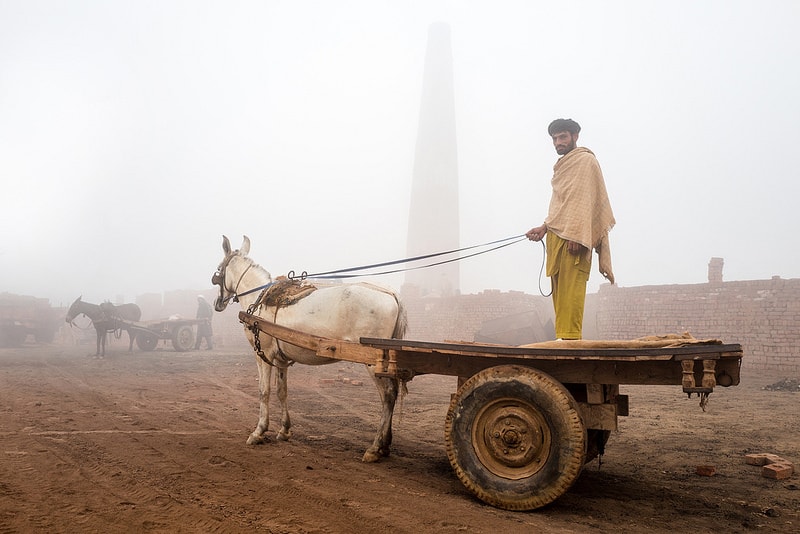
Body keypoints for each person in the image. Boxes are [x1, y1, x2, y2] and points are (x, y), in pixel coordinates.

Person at [526, 118, 615, 340]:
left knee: (572, 292)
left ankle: (571, 341)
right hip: (557, 237)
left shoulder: (586, 161)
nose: (558, 142)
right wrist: (545, 227)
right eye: (555, 139)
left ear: (575, 136)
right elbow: (563, 204)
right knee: (559, 294)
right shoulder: (563, 165)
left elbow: (584, 201)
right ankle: (562, 339)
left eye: (562, 137)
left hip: (576, 239)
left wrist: (578, 235)